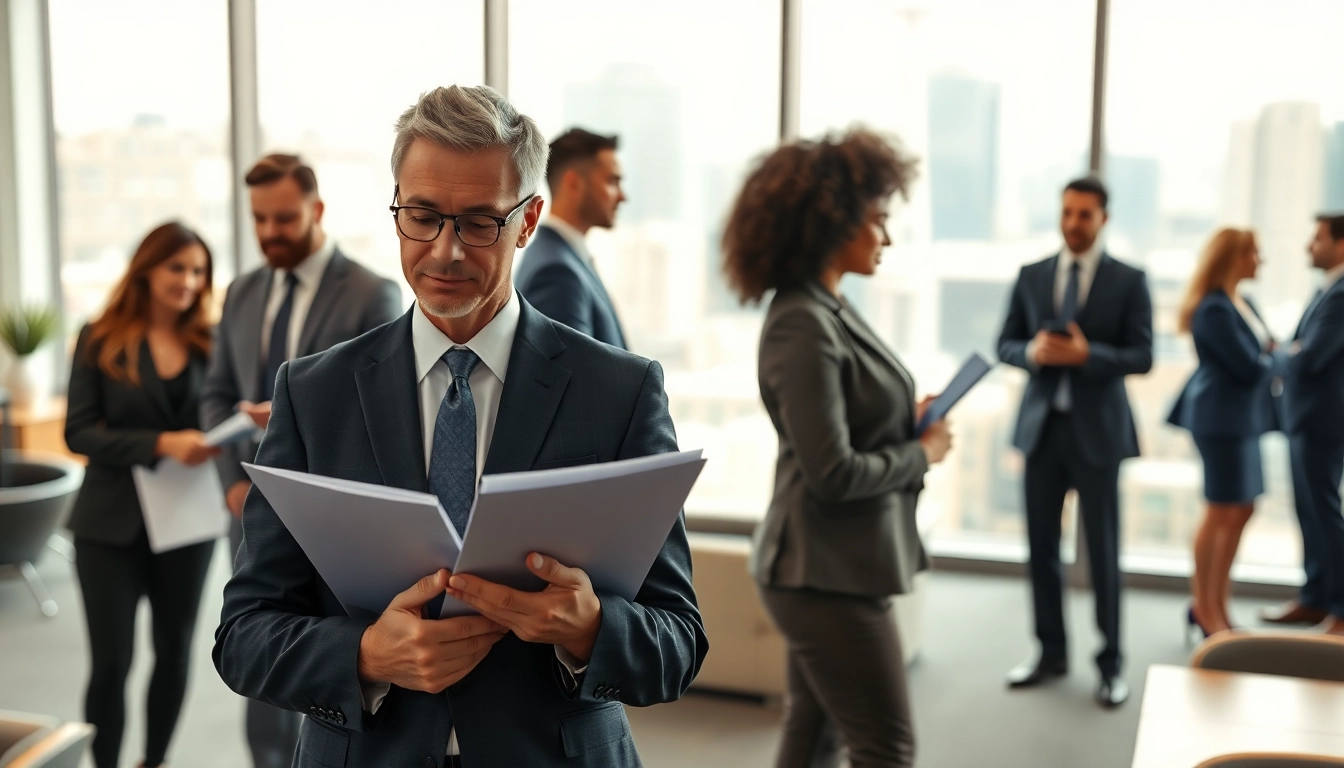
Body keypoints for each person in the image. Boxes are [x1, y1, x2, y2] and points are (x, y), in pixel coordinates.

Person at [212, 85, 707, 767]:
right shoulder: (313, 392)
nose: (444, 251)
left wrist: (592, 629)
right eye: (423, 215)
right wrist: (361, 655)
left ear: (529, 220)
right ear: (396, 210)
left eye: (479, 223)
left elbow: (678, 641)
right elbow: (243, 636)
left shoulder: (618, 391)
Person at [729, 128, 946, 768]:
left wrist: (904, 420)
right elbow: (832, 472)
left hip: (838, 564)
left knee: (813, 733)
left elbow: (846, 416)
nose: (886, 237)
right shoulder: (802, 320)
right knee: (885, 749)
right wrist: (923, 454)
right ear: (834, 224)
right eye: (878, 221)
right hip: (821, 573)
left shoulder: (829, 307)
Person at [199, 153, 401, 768]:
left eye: (284, 218)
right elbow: (214, 393)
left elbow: (384, 417)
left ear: (316, 210)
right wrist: (234, 482)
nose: (270, 233)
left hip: (333, 510)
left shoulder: (372, 293)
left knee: (339, 655)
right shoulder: (242, 291)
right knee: (262, 645)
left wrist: (293, 422)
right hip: (254, 504)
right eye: (259, 219)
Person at [64, 222, 222, 768]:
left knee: (176, 653)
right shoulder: (100, 336)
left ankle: (153, 762)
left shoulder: (212, 340)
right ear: (148, 269)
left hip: (187, 522)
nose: (188, 280)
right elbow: (78, 433)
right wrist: (160, 442)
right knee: (112, 663)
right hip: (109, 526)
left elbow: (221, 416)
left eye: (198, 270)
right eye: (177, 267)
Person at [997, 177, 1153, 708]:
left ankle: (1111, 665)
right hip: (1042, 431)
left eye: (1085, 214)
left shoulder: (1130, 280)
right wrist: (1033, 353)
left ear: (1103, 219)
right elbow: (1005, 344)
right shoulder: (1032, 274)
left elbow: (1143, 356)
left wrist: (1090, 356)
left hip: (1099, 434)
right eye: (1067, 212)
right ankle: (1049, 652)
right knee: (1041, 550)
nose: (1073, 223)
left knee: (1103, 552)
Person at [1167, 228, 1281, 637]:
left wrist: (1274, 355)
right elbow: (1251, 365)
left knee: (1243, 508)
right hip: (1219, 420)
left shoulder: (1243, 302)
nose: (1259, 260)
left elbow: (1265, 350)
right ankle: (1205, 607)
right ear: (1233, 257)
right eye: (1253, 252)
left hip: (1244, 419)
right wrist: (1281, 359)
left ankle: (1219, 603)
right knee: (1220, 510)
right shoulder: (1212, 308)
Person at [1263, 213, 1344, 634]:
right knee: (1309, 513)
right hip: (1305, 417)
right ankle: (1315, 599)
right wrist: (1290, 351)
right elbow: (1301, 350)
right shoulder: (1327, 288)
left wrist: (1279, 355)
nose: (1309, 247)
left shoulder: (1342, 293)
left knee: (1325, 513)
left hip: (1323, 420)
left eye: (1317, 239)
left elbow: (1310, 357)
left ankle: (1341, 611)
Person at [514, 128, 628, 349]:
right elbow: (575, 380)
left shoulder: (560, 257)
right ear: (573, 183)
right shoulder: (557, 274)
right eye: (612, 181)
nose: (622, 196)